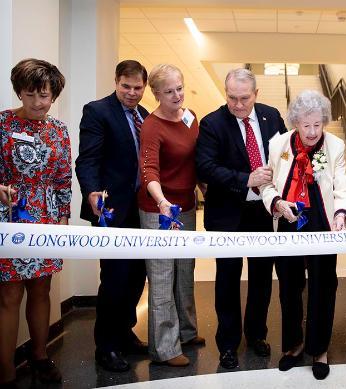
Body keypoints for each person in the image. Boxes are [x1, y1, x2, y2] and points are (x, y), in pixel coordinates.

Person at [195, 68, 287, 369]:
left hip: (263, 211)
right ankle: (228, 344)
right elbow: (206, 167)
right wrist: (246, 178)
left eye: (244, 98)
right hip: (227, 214)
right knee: (227, 279)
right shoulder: (212, 123)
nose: (237, 104)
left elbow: (286, 155)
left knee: (262, 277)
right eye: (232, 98)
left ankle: (257, 334)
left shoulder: (271, 117)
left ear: (256, 95)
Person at [261, 90, 346, 380]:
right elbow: (267, 185)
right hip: (290, 218)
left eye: (318, 125)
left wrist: (342, 212)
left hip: (321, 220)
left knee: (323, 285)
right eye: (306, 126)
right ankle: (293, 345)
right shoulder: (278, 144)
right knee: (289, 286)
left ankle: (319, 348)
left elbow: (342, 182)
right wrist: (276, 203)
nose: (313, 131)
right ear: (295, 123)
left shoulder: (335, 145)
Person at [75, 60, 149, 372]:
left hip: (141, 209)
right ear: (116, 81)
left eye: (137, 87)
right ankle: (106, 346)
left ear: (144, 86)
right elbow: (87, 159)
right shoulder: (97, 111)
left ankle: (125, 331)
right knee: (115, 278)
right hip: (110, 209)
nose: (132, 93)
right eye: (126, 86)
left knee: (136, 277)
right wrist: (91, 191)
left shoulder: (145, 116)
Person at [0, 58, 69, 386]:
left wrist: (64, 220)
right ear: (19, 92)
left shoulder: (59, 129)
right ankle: (6, 370)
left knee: (42, 290)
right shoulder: (1, 125)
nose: (40, 103)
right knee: (9, 295)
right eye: (32, 95)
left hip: (47, 218)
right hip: (11, 216)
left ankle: (39, 356)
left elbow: (63, 179)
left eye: (46, 96)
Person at [137, 64, 205, 367]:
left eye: (179, 88)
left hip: (186, 205)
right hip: (158, 210)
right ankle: (164, 348)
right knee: (163, 277)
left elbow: (198, 161)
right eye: (169, 91)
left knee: (185, 273)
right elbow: (148, 170)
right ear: (156, 94)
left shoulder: (190, 118)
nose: (177, 95)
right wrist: (162, 202)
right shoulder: (151, 125)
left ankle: (187, 332)